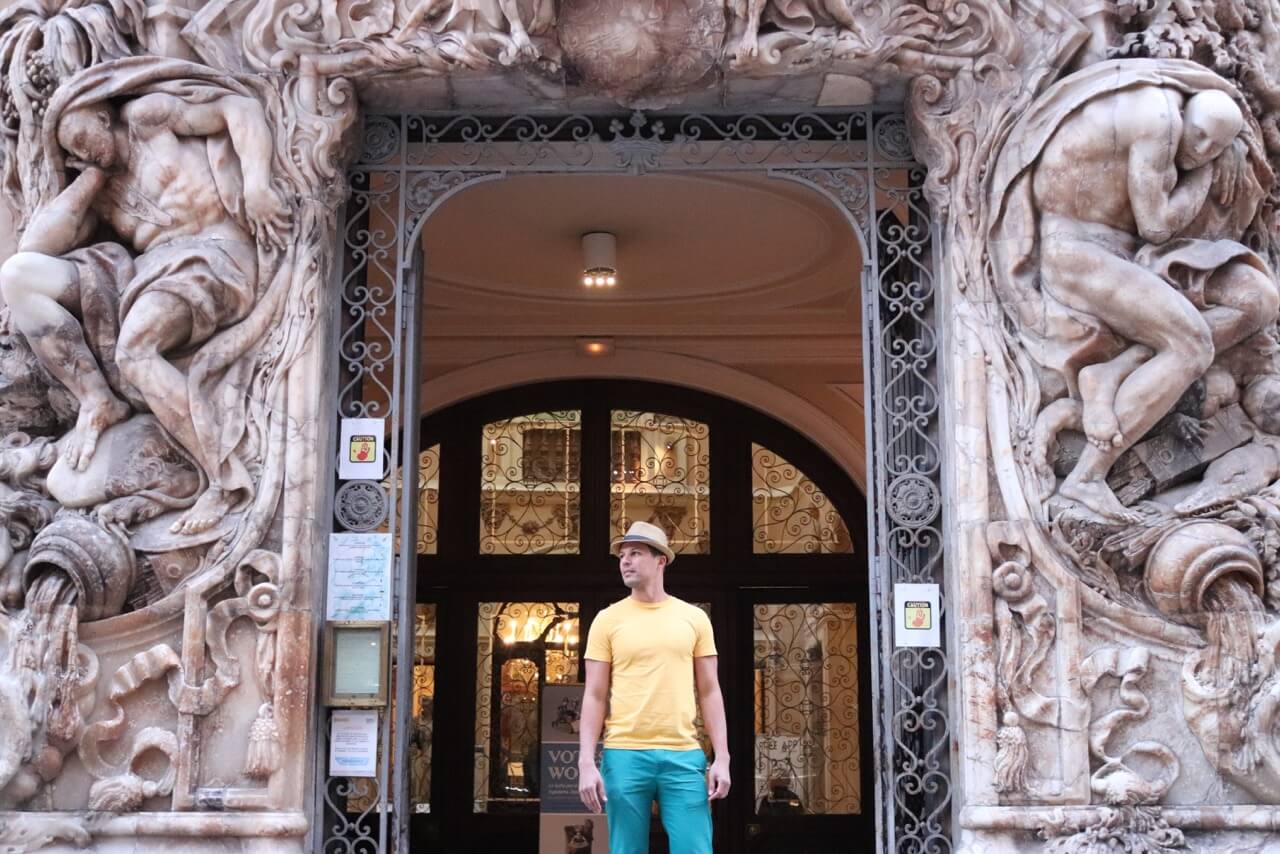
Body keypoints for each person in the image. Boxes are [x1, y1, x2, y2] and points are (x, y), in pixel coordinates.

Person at [990, 60, 1279, 522]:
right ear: (1190, 119)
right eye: (1202, 139)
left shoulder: (1166, 100)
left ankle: (1115, 373)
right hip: (1079, 252)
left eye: (1214, 147)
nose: (1202, 151)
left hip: (1125, 251)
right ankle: (1087, 476)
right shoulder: (1160, 121)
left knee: (1258, 299)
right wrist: (1203, 174)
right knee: (1191, 347)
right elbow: (1157, 225)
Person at [0, 87, 289, 536]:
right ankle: (97, 398)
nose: (85, 152)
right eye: (74, 151)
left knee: (134, 350)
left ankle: (222, 479)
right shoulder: (99, 185)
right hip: (142, 275)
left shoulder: (148, 117)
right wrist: (89, 179)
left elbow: (242, 106)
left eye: (85, 139)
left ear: (103, 117)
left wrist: (256, 184)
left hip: (215, 257)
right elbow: (34, 245)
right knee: (19, 276)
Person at [577, 521, 730, 854]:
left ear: (661, 560)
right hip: (624, 753)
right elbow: (594, 695)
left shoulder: (694, 618)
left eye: (636, 553)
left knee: (695, 849)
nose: (625, 561)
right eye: (622, 556)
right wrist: (586, 763)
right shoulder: (607, 619)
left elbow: (709, 691)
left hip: (683, 754)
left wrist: (722, 758)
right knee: (625, 850)